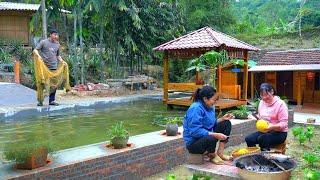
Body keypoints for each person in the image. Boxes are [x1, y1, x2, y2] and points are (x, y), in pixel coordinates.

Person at [183, 85, 234, 164]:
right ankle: (212, 155)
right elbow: (195, 131)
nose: (215, 102)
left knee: (226, 123)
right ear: (205, 99)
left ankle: (220, 153)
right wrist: (215, 134)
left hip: (206, 136)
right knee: (211, 137)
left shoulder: (210, 106)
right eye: (214, 100)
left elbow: (211, 124)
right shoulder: (195, 108)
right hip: (194, 143)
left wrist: (222, 119)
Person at [245, 83, 288, 151]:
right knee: (249, 139)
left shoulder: (281, 104)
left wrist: (272, 126)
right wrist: (256, 118)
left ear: (272, 92)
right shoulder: (261, 102)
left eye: (266, 94)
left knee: (262, 138)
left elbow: (284, 124)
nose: (264, 97)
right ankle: (254, 156)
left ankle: (265, 158)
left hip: (279, 133)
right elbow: (261, 118)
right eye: (262, 95)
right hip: (265, 131)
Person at [35, 29, 63, 106]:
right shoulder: (44, 42)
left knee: (54, 85)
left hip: (54, 67)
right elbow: (35, 50)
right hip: (44, 67)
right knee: (42, 83)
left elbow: (58, 55)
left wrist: (62, 61)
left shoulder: (57, 44)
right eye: (54, 35)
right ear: (50, 35)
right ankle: (40, 101)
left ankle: (51, 101)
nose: (56, 36)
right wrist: (39, 56)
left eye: (57, 35)